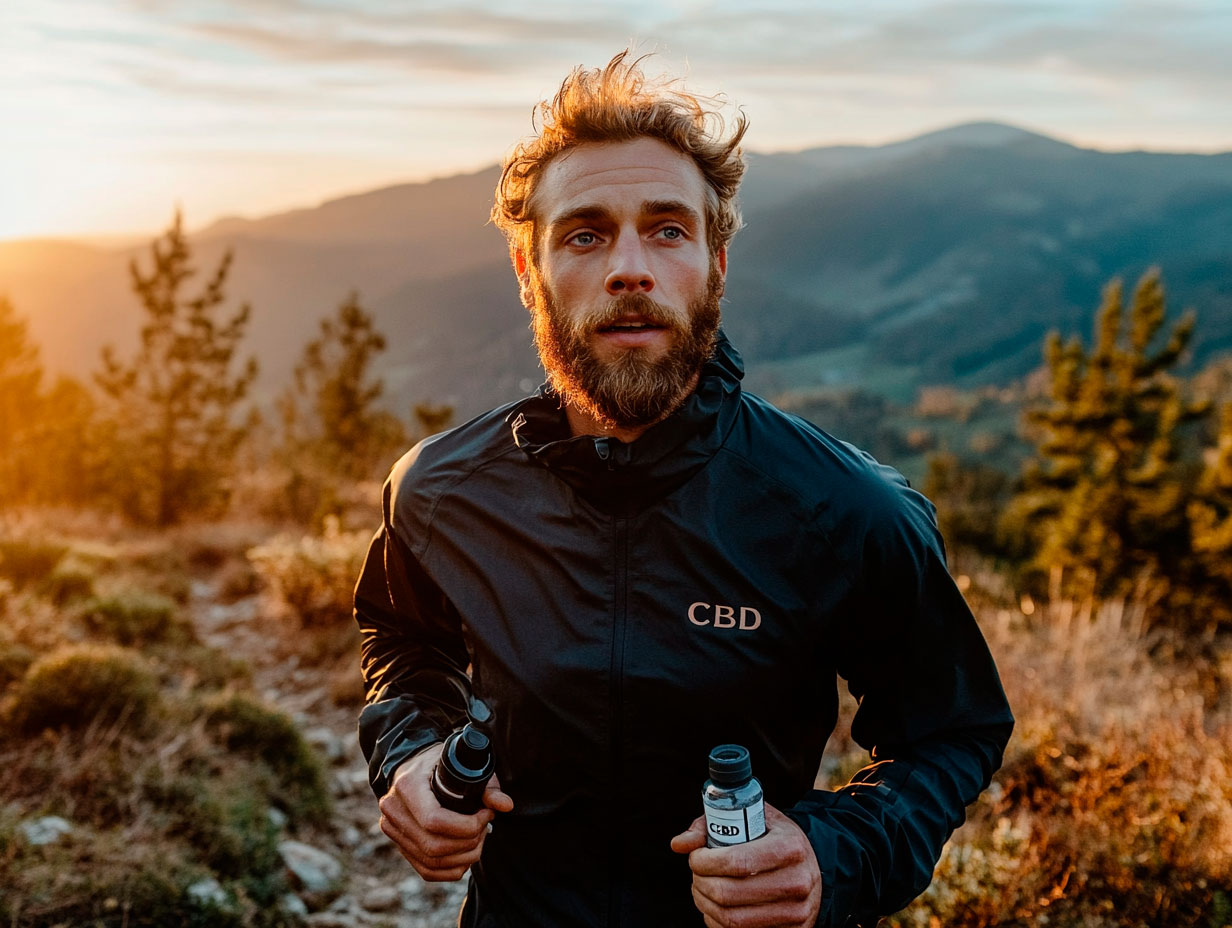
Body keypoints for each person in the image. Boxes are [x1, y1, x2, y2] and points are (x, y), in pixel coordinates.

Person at [355, 50, 1014, 928]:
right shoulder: (441, 491)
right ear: (527, 270)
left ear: (717, 262)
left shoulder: (845, 511)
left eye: (668, 231)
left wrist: (834, 857)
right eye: (585, 234)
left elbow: (950, 730)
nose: (630, 269)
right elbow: (403, 640)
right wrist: (411, 752)